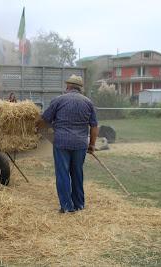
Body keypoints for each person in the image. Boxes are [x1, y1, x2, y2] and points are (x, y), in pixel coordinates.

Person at [41, 74, 98, 213]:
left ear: (68, 86)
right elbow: (94, 126)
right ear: (80, 88)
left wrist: (37, 127)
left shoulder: (58, 100)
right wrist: (92, 145)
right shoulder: (88, 102)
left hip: (62, 143)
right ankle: (79, 204)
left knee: (63, 174)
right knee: (77, 173)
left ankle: (66, 206)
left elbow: (45, 119)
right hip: (80, 144)